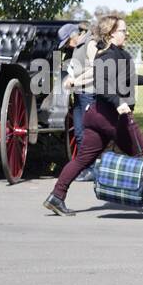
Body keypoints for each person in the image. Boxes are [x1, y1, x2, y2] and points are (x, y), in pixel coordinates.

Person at [44, 14, 143, 215]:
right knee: (142, 155)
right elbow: (101, 85)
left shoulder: (118, 54)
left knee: (83, 159)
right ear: (110, 33)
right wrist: (119, 103)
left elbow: (129, 78)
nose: (126, 34)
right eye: (122, 31)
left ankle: (56, 197)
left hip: (97, 117)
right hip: (112, 118)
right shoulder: (107, 56)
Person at [59, 22, 98, 182]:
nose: (68, 45)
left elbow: (95, 69)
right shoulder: (77, 47)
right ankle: (86, 168)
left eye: (68, 41)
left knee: (88, 132)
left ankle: (92, 169)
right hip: (79, 93)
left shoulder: (90, 42)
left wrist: (76, 80)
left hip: (90, 92)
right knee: (79, 132)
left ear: (74, 35)